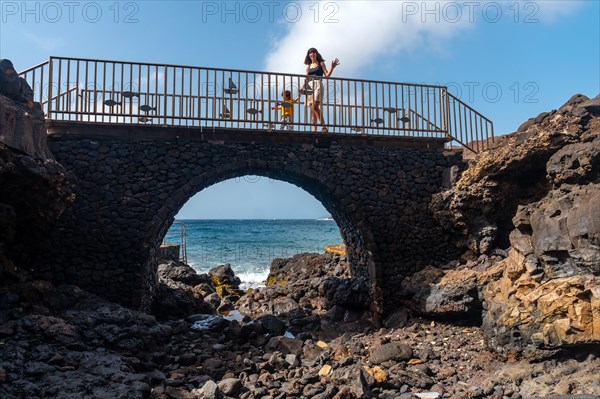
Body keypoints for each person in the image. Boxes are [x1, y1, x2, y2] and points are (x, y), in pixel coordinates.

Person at [302, 47, 340, 132]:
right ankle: (314, 129)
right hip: (310, 85)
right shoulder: (308, 66)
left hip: (318, 84)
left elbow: (327, 75)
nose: (312, 54)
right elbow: (307, 78)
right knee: (312, 109)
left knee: (315, 107)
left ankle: (324, 126)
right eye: (310, 53)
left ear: (316, 54)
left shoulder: (321, 63)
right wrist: (303, 86)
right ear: (309, 55)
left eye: (314, 52)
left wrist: (332, 67)